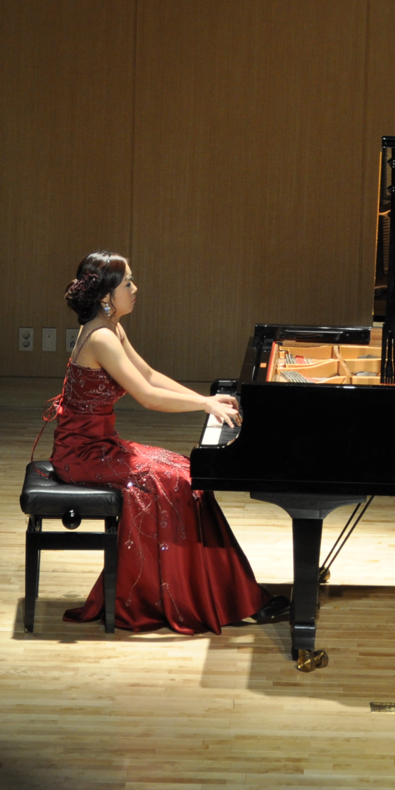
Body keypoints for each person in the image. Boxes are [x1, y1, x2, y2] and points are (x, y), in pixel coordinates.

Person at [40, 250, 289, 633]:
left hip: (102, 445)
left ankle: (223, 592)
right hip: (82, 454)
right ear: (107, 295)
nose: (135, 289)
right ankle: (186, 596)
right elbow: (147, 396)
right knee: (171, 483)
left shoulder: (112, 327)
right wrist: (202, 404)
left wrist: (203, 400)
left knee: (186, 472)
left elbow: (151, 375)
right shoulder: (102, 336)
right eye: (128, 283)